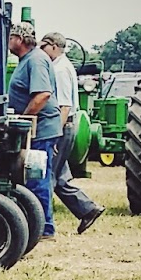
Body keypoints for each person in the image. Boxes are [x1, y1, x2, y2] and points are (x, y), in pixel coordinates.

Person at [42, 32, 105, 234]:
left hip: (62, 127)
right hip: (65, 127)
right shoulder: (63, 66)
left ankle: (43, 226)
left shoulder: (59, 70)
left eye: (43, 47)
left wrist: (54, 135)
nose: (41, 52)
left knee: (47, 177)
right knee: (59, 178)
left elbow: (64, 106)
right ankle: (88, 209)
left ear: (53, 46)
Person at [7, 23, 63, 239]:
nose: (8, 42)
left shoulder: (36, 60)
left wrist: (24, 120)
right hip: (40, 128)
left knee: (36, 176)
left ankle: (44, 229)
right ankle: (41, 226)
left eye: (11, 37)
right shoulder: (27, 60)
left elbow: (42, 95)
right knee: (37, 176)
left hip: (41, 129)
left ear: (19, 40)